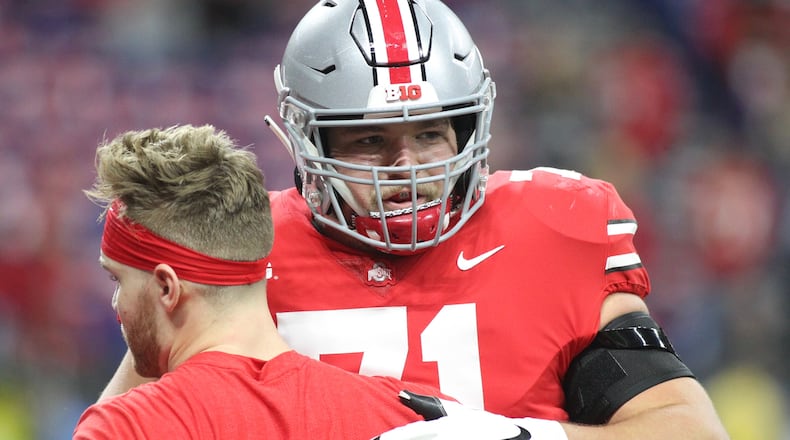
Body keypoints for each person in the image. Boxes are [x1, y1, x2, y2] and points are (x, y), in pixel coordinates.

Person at [98, 1, 729, 438]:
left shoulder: (554, 227)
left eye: (429, 134)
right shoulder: (239, 248)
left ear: (467, 129)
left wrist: (515, 438)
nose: (406, 169)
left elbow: (686, 430)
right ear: (309, 140)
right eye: (369, 141)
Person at [72, 124, 470, 439]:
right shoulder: (414, 416)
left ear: (166, 288)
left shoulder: (130, 427)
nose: (116, 304)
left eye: (117, 279)